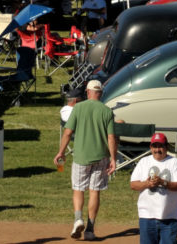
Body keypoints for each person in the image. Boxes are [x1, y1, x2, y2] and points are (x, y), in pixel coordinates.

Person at [54, 78, 118, 241]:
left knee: (78, 189)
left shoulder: (78, 108)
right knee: (94, 191)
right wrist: (113, 158)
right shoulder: (107, 111)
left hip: (81, 156)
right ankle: (90, 229)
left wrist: (61, 152)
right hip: (101, 157)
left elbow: (67, 133)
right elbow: (111, 138)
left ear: (88, 92)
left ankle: (78, 219)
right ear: (101, 93)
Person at [128, 132, 177, 244]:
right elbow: (133, 184)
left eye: (161, 146)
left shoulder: (175, 163)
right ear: (150, 147)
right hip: (146, 216)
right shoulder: (144, 162)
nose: (157, 150)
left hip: (169, 217)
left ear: (166, 147)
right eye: (155, 146)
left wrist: (163, 183)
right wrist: (147, 184)